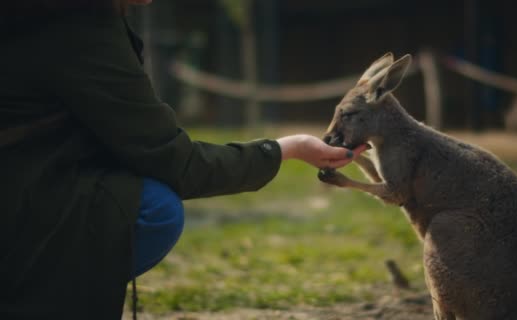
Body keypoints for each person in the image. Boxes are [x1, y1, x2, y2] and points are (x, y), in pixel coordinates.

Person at [0, 1, 365, 318]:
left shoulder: (42, 14)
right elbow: (177, 163)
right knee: (155, 209)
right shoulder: (80, 26)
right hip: (19, 218)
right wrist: (288, 148)